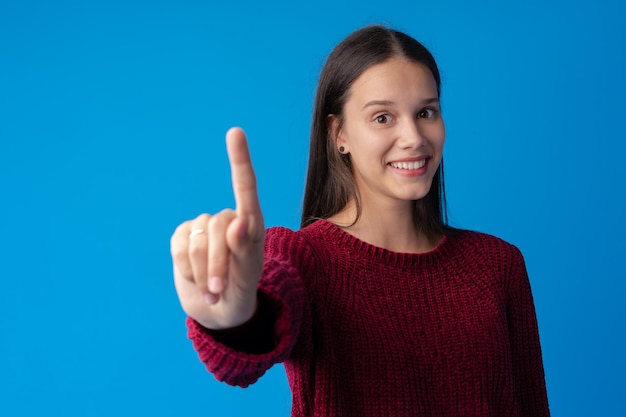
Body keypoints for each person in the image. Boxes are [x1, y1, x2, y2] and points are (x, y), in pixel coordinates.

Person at [170, 25, 550, 416]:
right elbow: (251, 343)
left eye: (426, 112)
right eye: (383, 117)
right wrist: (233, 317)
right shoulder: (304, 258)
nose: (414, 137)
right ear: (339, 134)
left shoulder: (498, 264)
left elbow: (533, 405)